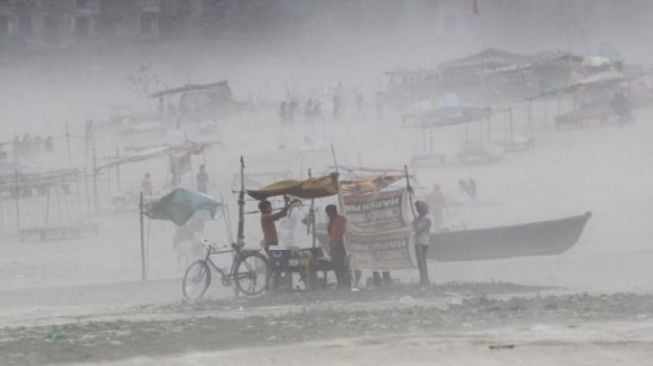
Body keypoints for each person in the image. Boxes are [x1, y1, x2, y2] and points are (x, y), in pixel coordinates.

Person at [326, 204, 350, 289]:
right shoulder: (332, 220)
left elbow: (340, 233)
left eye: (328, 213)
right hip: (334, 246)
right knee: (336, 266)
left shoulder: (340, 219)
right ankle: (340, 283)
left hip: (339, 245)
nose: (328, 215)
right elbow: (330, 233)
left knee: (340, 266)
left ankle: (344, 283)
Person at [412, 201, 431, 286]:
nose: (418, 210)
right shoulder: (416, 218)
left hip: (423, 242)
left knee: (422, 260)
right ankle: (422, 279)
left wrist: (416, 226)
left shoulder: (427, 220)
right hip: (417, 242)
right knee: (419, 261)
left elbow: (419, 229)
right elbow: (411, 227)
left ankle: (425, 280)